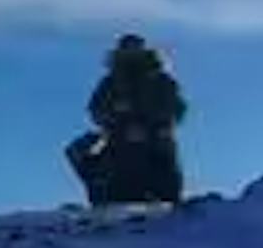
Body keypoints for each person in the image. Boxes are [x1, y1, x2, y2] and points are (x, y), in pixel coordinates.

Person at [68, 34, 187, 207]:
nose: (131, 52)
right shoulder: (110, 82)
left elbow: (177, 109)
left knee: (163, 181)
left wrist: (158, 123)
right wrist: (115, 113)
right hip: (120, 140)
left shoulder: (161, 80)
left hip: (156, 141)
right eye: (127, 48)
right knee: (109, 173)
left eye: (135, 48)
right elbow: (96, 109)